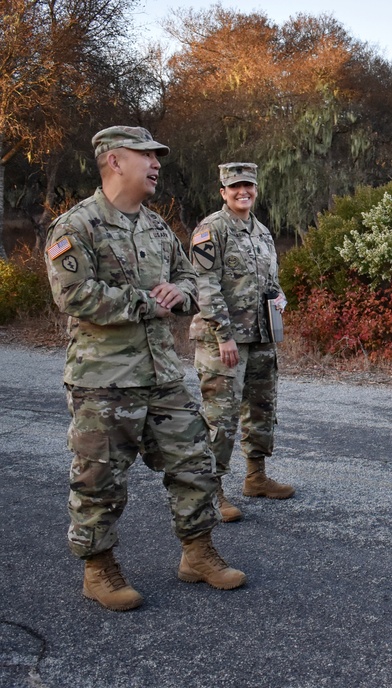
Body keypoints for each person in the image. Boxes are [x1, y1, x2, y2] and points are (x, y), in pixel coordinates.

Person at [44, 126, 245, 612]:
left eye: (157, 156)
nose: (156, 164)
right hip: (104, 379)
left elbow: (191, 280)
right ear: (114, 161)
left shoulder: (156, 228)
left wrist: (183, 295)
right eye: (146, 156)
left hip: (163, 375)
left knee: (194, 462)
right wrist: (145, 304)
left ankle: (197, 554)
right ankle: (99, 569)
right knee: (100, 479)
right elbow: (73, 294)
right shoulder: (77, 226)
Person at [190, 162, 293, 523]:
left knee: (262, 409)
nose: (242, 192)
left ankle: (256, 477)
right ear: (223, 192)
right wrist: (224, 336)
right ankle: (212, 492)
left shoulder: (262, 232)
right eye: (234, 187)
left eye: (247, 185)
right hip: (225, 342)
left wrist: (279, 299)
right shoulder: (210, 230)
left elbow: (270, 281)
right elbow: (206, 286)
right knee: (221, 418)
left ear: (255, 189)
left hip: (261, 336)